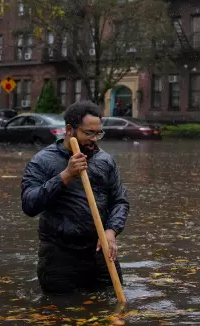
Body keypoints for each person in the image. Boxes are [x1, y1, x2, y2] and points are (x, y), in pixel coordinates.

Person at [21, 101, 130, 294]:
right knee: (62, 312)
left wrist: (111, 230)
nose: (95, 139)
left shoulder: (105, 160)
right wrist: (66, 175)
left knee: (110, 307)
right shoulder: (42, 161)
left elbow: (120, 200)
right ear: (70, 130)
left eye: (98, 133)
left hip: (101, 252)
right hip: (60, 256)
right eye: (89, 133)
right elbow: (30, 204)